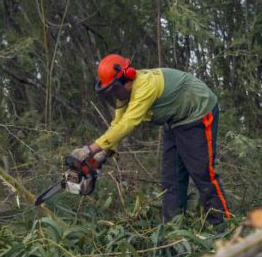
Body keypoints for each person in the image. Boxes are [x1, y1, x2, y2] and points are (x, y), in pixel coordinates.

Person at [69, 54, 232, 225]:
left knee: (203, 173)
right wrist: (101, 154)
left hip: (198, 112)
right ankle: (173, 230)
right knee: (172, 180)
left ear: (128, 77)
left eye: (114, 89)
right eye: (110, 92)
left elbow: (128, 123)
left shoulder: (145, 86)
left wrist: (88, 150)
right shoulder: (124, 96)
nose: (115, 95)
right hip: (174, 121)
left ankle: (223, 224)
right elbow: (117, 125)